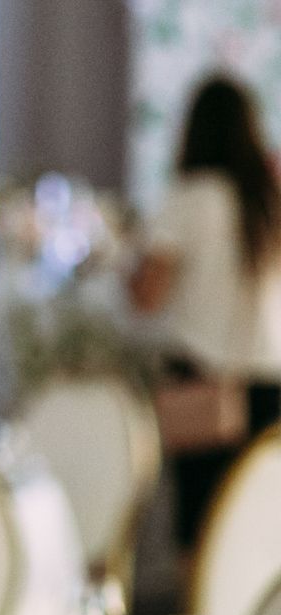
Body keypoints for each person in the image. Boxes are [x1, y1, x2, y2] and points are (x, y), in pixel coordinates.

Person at [132, 74, 281, 552]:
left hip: (204, 380)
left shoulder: (191, 197)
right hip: (268, 384)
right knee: (259, 533)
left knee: (199, 534)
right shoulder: (268, 202)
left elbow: (148, 296)